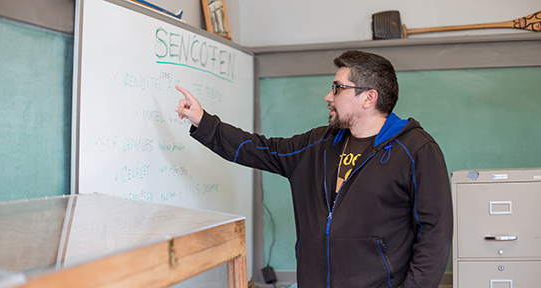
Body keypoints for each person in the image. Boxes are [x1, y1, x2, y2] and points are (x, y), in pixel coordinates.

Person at [174, 50, 453, 288]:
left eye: (337, 88)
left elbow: (435, 235)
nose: (327, 96)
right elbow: (259, 149)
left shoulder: (416, 150)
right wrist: (203, 121)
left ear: (368, 98)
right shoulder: (318, 144)